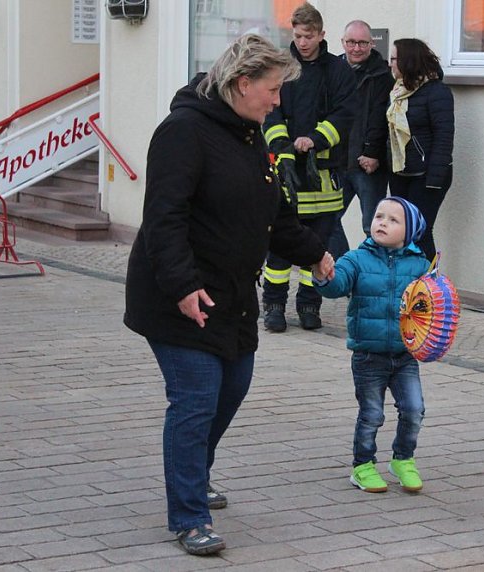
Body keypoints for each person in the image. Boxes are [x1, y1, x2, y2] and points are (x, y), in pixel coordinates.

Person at [123, 34, 334, 556]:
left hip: (234, 293)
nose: (277, 100)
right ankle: (189, 515)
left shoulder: (249, 133)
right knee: (195, 399)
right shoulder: (183, 132)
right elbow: (163, 218)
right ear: (242, 84)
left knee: (232, 387)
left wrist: (314, 252)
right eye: (273, 89)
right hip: (180, 295)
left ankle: (193, 472)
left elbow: (275, 213)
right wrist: (182, 286)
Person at [313, 197, 430, 494]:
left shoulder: (419, 265)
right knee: (371, 414)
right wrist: (323, 275)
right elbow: (337, 286)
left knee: (414, 409)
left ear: (410, 231)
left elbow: (429, 306)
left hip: (405, 355)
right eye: (379, 216)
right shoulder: (356, 259)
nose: (382, 223)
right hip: (368, 355)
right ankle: (363, 466)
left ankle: (403, 459)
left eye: (393, 220)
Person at [262, 1, 357, 333]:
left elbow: (345, 114)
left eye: (309, 36)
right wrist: (282, 146)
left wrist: (315, 139)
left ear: (321, 35)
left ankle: (308, 305)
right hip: (287, 170)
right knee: (280, 244)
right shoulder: (282, 67)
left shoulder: (337, 70)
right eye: (298, 35)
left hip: (324, 171)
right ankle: (273, 304)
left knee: (317, 244)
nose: (302, 42)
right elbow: (270, 112)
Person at [327, 20, 395, 260]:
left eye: (362, 43)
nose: (356, 48)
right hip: (336, 160)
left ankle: (370, 280)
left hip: (368, 164)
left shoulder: (383, 75)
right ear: (343, 42)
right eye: (351, 42)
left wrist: (372, 152)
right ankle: (347, 270)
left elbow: (382, 118)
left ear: (371, 43)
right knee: (328, 220)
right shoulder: (331, 69)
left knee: (374, 227)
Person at [387, 38, 455, 262]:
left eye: (395, 58)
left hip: (427, 176)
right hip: (401, 172)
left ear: (408, 61)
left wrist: (434, 180)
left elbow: (444, 137)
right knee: (401, 233)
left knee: (420, 232)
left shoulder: (437, 92)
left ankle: (430, 288)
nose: (391, 64)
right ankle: (408, 286)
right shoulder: (397, 91)